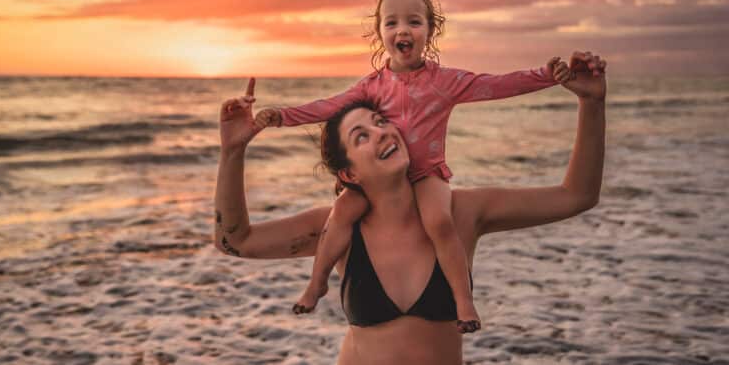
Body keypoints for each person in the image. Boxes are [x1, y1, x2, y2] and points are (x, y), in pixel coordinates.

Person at [214, 51, 606, 365]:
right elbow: (235, 241)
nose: (382, 131)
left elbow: (577, 195)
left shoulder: (461, 213)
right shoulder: (336, 227)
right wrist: (232, 152)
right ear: (349, 172)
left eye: (381, 120)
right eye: (361, 135)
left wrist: (590, 103)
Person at [253, 0, 570, 332]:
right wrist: (281, 117)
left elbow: (495, 85)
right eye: (392, 23)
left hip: (426, 174)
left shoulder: (446, 82)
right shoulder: (371, 88)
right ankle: (316, 284)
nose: (402, 29)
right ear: (381, 34)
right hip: (382, 184)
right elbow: (330, 107)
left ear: (429, 32)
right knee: (341, 211)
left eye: (414, 21)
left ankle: (463, 301)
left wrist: (547, 75)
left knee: (439, 221)